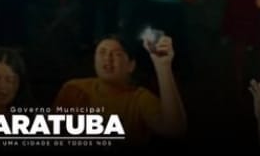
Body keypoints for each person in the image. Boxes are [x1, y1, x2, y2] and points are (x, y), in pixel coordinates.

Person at [53, 35, 187, 145]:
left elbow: (173, 128)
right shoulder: (74, 89)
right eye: (102, 52)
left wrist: (163, 65)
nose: (108, 58)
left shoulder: (139, 99)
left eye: (117, 54)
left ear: (131, 65)